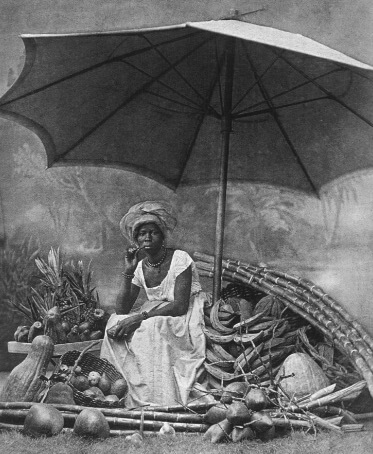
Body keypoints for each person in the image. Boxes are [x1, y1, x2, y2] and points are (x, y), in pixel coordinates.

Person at [100, 200, 207, 408]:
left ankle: (156, 398)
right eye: (141, 233)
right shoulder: (140, 266)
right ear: (136, 239)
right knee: (114, 322)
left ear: (162, 236)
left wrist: (140, 317)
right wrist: (128, 270)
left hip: (183, 314)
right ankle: (124, 390)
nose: (147, 237)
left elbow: (180, 306)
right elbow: (121, 309)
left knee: (150, 327)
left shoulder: (180, 259)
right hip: (156, 312)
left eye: (153, 232)